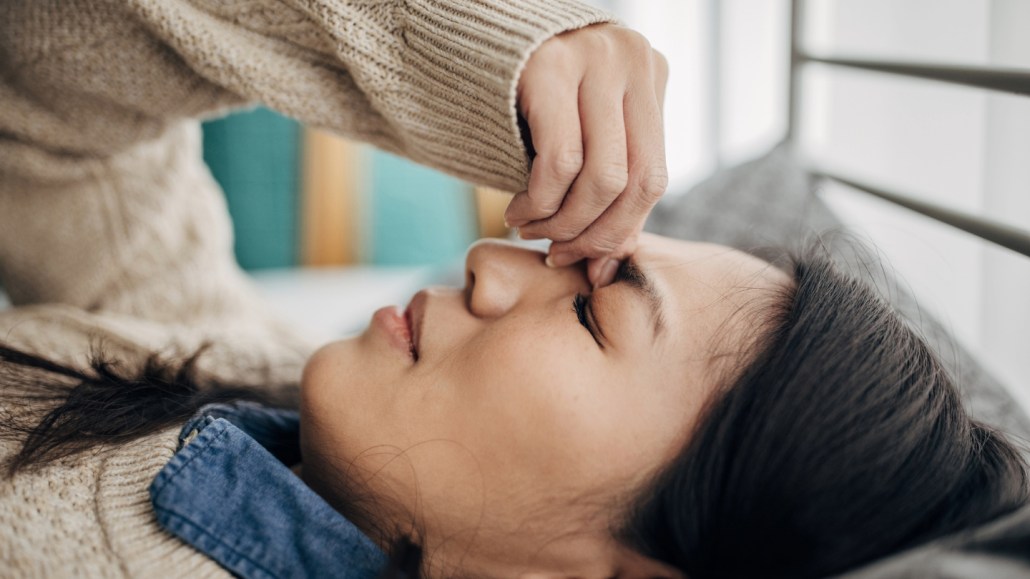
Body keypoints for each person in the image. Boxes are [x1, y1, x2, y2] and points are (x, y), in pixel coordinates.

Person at [1, 1, 1027, 578]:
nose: (492, 262)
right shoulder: (242, 386)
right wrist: (483, 62)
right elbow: (49, 116)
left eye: (589, 312)